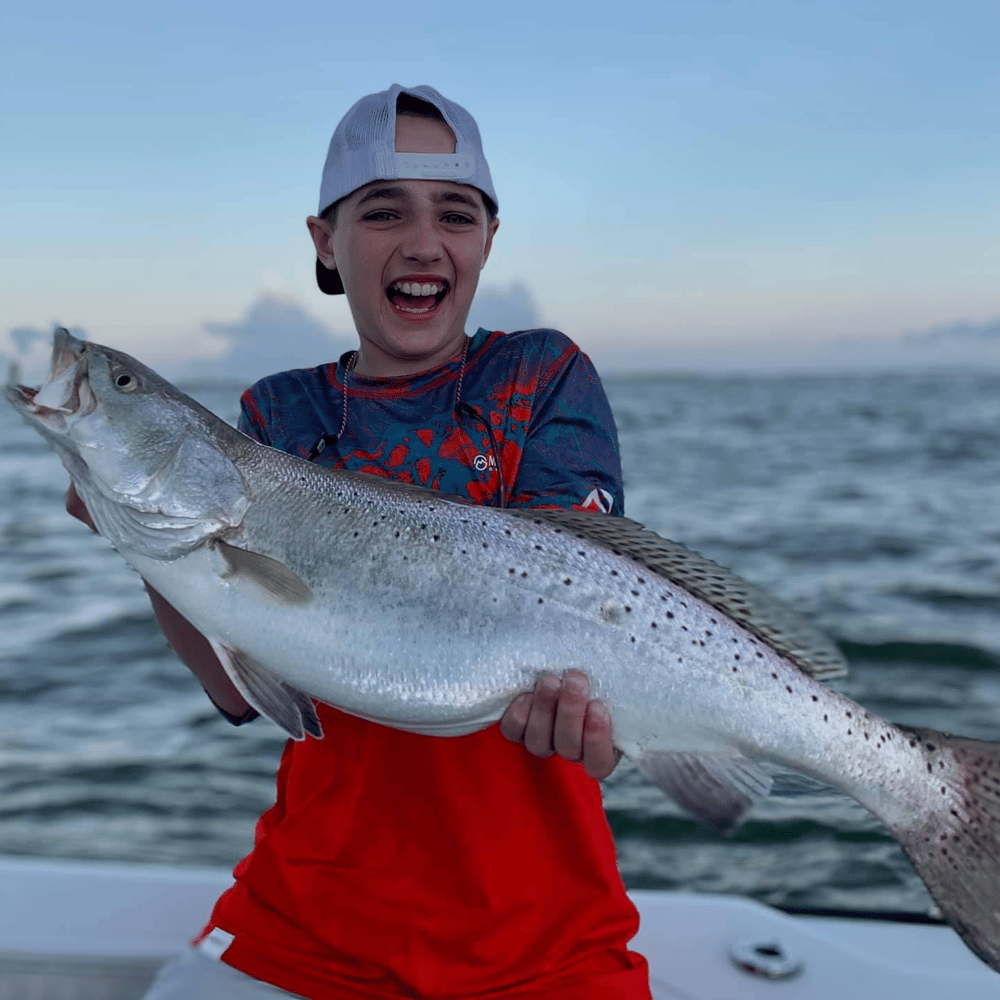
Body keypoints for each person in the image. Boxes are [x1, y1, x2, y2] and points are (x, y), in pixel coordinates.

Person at [68, 84, 651, 999]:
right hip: (298, 925)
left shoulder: (543, 375)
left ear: (487, 241)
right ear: (323, 241)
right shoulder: (278, 415)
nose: (422, 241)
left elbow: (588, 608)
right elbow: (236, 687)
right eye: (383, 211)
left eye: (454, 213)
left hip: (547, 946)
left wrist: (607, 726)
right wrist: (140, 538)